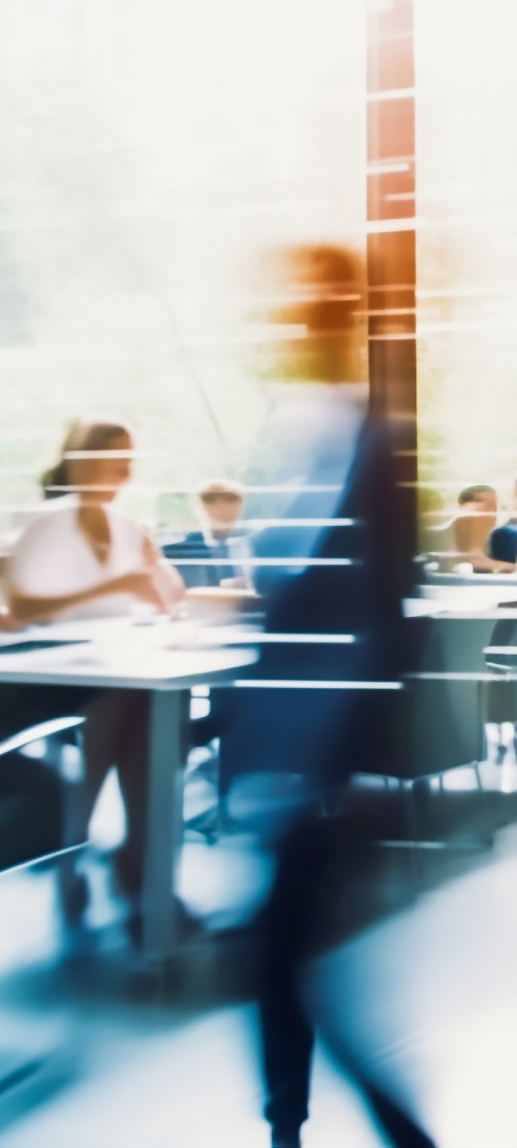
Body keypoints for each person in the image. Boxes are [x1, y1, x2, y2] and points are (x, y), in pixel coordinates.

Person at [222, 243, 433, 1148]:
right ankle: (294, 1123)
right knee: (288, 962)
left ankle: (320, 1126)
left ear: (345, 318)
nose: (295, 325)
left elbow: (388, 605)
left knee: (289, 963)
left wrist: (353, 764)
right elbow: (293, 596)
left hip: (329, 754)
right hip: (283, 744)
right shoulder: (298, 440)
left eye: (312, 308)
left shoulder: (375, 442)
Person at [1, 418, 188, 940]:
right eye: (107, 461)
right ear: (77, 463)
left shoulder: (128, 527)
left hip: (111, 666)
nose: (117, 473)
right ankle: (119, 859)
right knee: (128, 700)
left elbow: (169, 595)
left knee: (145, 703)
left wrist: (153, 564)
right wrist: (115, 582)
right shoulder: (43, 521)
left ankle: (104, 852)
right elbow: (22, 605)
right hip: (46, 670)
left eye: (125, 463)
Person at [163, 478, 252, 589]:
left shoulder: (254, 549)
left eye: (228, 516)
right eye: (210, 500)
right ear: (199, 509)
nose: (220, 507)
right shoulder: (175, 553)